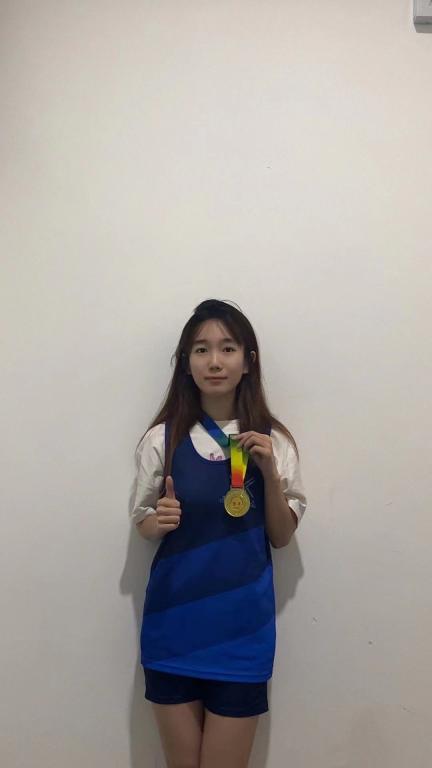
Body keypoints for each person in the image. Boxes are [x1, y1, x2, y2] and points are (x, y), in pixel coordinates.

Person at [130, 298, 307, 768]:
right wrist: (156, 521)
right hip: (173, 629)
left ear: (248, 361)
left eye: (228, 349)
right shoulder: (162, 438)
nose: (214, 361)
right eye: (201, 349)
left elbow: (281, 536)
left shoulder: (274, 442)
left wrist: (269, 476)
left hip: (242, 632)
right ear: (185, 363)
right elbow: (142, 520)